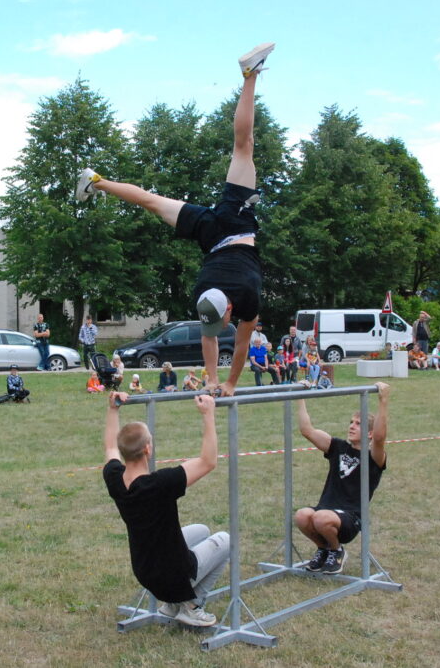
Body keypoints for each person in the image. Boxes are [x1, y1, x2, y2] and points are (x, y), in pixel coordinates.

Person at [78, 43, 276, 397]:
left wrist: (227, 382)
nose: (218, 328)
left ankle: (250, 77)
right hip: (217, 234)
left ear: (226, 306)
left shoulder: (225, 296)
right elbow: (220, 337)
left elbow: (236, 343)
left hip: (228, 225)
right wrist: (216, 381)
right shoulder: (222, 299)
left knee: (241, 147)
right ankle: (96, 181)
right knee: (160, 198)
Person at [102, 390, 230, 627]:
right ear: (148, 450)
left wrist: (113, 409)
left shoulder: (114, 477)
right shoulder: (160, 483)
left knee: (201, 530)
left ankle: (173, 605)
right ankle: (191, 606)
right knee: (226, 539)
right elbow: (208, 461)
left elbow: (110, 447)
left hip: (144, 571)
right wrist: (208, 414)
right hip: (174, 573)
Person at [294, 382, 390, 574]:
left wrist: (383, 400)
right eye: (351, 422)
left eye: (358, 424)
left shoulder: (374, 457)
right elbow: (307, 430)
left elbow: (380, 439)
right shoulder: (337, 447)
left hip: (350, 518)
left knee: (321, 518)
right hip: (326, 510)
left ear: (369, 433)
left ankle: (337, 551)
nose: (351, 426)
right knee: (302, 516)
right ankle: (325, 549)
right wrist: (300, 396)